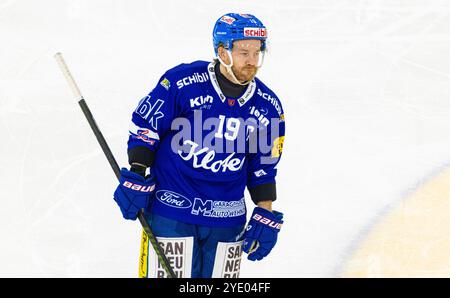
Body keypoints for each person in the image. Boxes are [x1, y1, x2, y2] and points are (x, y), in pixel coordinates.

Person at [113, 13, 285, 278]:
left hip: (227, 221)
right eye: (243, 53)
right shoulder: (182, 82)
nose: (252, 62)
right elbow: (147, 125)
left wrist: (265, 208)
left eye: (257, 52)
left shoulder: (267, 106)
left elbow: (263, 167)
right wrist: (137, 171)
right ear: (222, 51)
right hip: (171, 211)